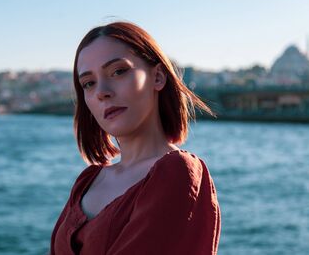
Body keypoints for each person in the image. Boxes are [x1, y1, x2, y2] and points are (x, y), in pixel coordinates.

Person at [49, 21, 221, 255]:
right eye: (89, 83)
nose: (102, 92)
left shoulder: (177, 171)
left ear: (157, 77)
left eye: (118, 71)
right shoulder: (88, 180)